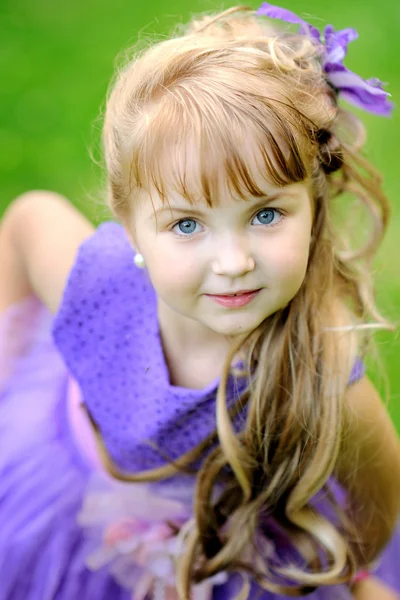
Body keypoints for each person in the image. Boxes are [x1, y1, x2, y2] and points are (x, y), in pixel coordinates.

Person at [0, 3, 399, 599]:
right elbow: (30, 220)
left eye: (266, 214)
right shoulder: (97, 282)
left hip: (234, 565)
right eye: (187, 225)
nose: (233, 261)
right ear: (130, 227)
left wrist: (349, 575)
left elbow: (378, 499)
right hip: (61, 494)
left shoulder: (324, 376)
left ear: (312, 207)